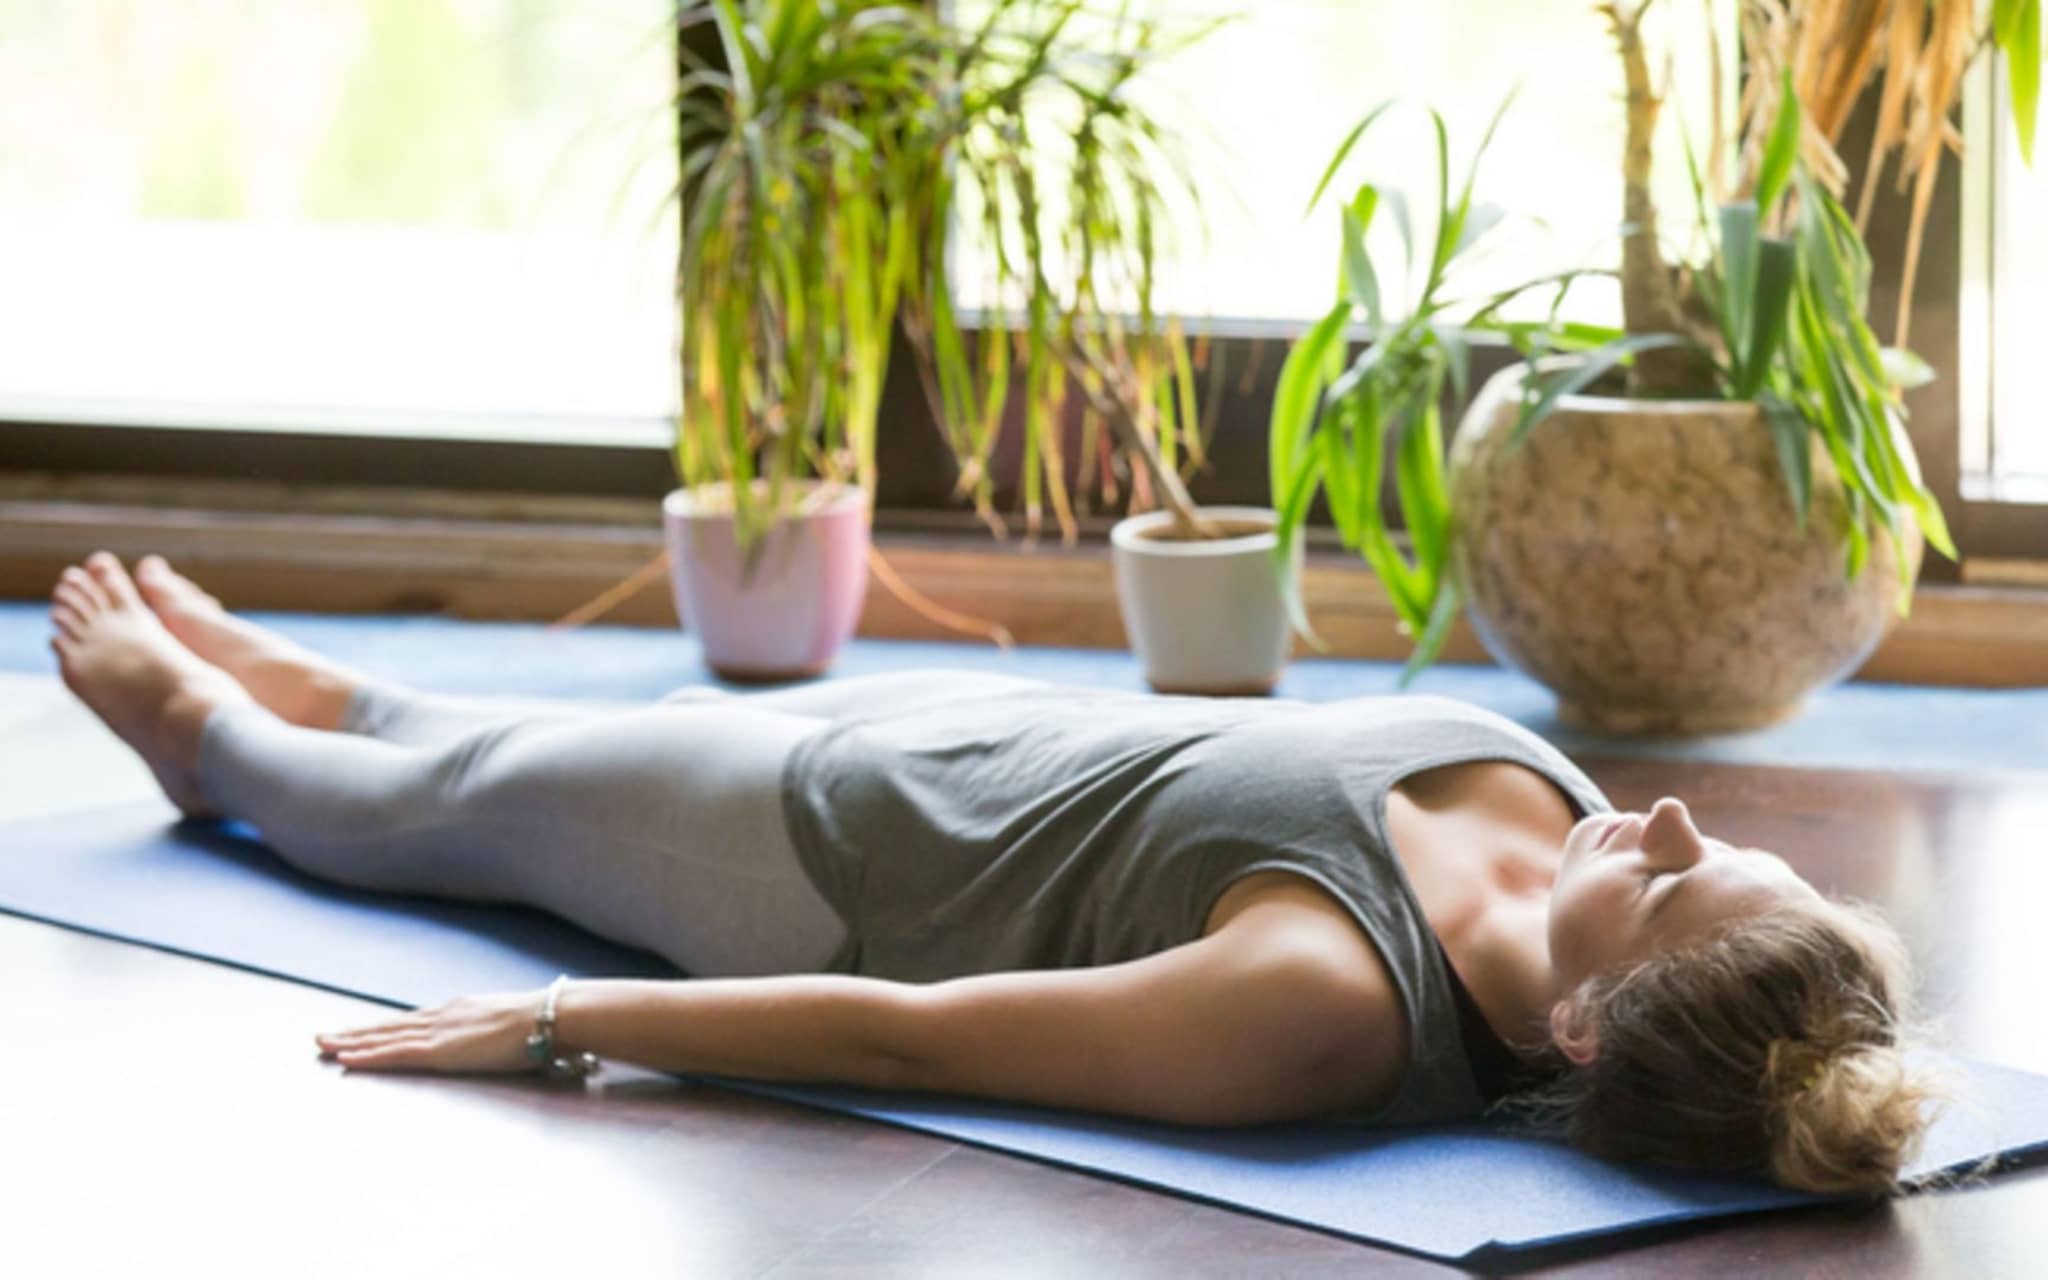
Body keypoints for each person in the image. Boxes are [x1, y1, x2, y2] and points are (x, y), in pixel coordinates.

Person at [46, 551, 1937, 1195]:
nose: (1673, 824)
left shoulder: (1324, 1004)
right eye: (1722, 840)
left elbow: (928, 1036)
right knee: (480, 723)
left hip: (810, 854)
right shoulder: (1572, 826)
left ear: (1594, 1034)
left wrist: (562, 1019)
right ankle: (316, 673)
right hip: (958, 732)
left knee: (419, 807)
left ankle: (203, 732)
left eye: (1681, 885)